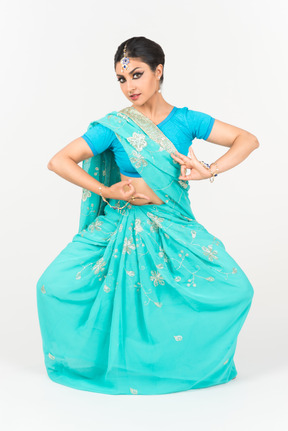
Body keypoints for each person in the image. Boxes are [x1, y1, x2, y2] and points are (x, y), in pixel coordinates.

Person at [36, 36, 259, 396]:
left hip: (173, 223)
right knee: (52, 285)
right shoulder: (113, 126)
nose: (129, 87)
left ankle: (176, 364)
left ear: (159, 72)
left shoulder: (187, 120)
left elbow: (247, 139)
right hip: (119, 224)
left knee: (236, 290)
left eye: (137, 74)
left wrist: (210, 169)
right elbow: (58, 160)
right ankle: (100, 364)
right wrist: (107, 191)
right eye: (122, 79)